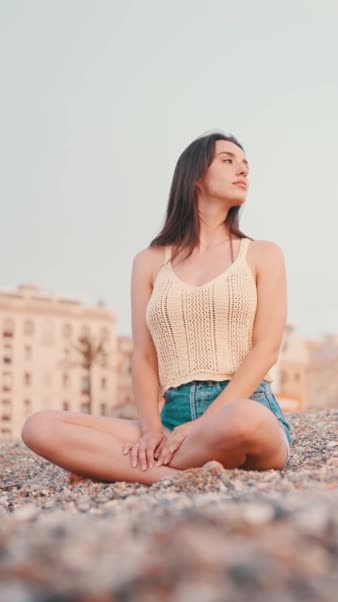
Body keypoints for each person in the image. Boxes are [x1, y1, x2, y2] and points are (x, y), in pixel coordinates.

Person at [21, 130, 292, 487]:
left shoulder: (262, 254)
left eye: (246, 165)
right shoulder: (149, 262)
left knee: (244, 420)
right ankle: (172, 473)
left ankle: (124, 469)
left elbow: (267, 349)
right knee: (39, 426)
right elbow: (145, 358)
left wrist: (204, 422)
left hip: (241, 407)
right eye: (228, 161)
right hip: (172, 419)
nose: (242, 171)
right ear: (195, 177)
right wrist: (150, 430)